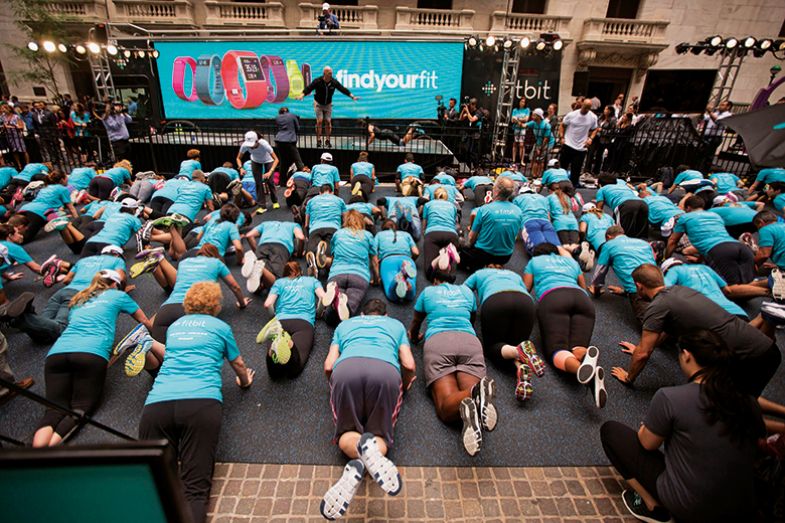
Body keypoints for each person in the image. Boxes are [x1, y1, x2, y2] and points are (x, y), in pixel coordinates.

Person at [601, 329, 764, 523]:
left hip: (690, 507)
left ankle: (654, 507)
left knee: (611, 432)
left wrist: (647, 426)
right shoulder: (747, 401)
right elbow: (759, 443)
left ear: (687, 356)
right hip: (742, 508)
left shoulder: (671, 397)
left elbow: (647, 444)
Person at [139, 282, 254, 523]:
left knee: (154, 487)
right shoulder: (220, 327)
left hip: (157, 405)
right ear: (215, 304)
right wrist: (244, 382)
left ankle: (145, 342)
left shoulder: (175, 327)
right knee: (194, 491)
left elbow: (171, 355)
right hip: (200, 403)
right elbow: (239, 365)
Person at [611, 264, 780, 398]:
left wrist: (629, 377)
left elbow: (643, 354)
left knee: (736, 412)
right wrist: (642, 348)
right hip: (764, 347)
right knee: (741, 402)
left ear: (639, 286)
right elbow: (667, 331)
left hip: (750, 357)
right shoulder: (681, 290)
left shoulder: (657, 307)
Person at [32, 270, 151, 448]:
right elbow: (145, 322)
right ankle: (46, 454)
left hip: (57, 354)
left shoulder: (78, 299)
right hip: (91, 353)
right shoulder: (117, 295)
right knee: (80, 406)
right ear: (114, 284)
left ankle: (36, 451)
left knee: (54, 410)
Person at [321, 299, 413, 520]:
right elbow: (409, 365)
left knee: (345, 432)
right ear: (385, 315)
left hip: (347, 370)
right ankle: (368, 455)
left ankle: (358, 461)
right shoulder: (396, 325)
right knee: (381, 434)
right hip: (385, 372)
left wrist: (336, 386)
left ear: (362, 314)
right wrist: (406, 382)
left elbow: (328, 366)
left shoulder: (345, 325)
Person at [523, 243, 605, 407]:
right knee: (576, 346)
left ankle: (582, 373)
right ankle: (584, 355)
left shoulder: (534, 262)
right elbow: (583, 286)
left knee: (558, 349)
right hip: (582, 300)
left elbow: (525, 289)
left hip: (553, 298)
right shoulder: (571, 262)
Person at [10, 245, 126, 344]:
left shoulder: (83, 261)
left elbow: (66, 280)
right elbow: (120, 278)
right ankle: (25, 315)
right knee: (60, 328)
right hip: (78, 294)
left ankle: (23, 317)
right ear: (117, 254)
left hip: (63, 292)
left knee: (41, 331)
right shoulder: (117, 261)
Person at [465, 265, 542, 401]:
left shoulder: (480, 273)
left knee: (492, 346)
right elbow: (527, 288)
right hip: (525, 302)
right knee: (516, 344)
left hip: (496, 301)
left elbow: (464, 291)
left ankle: (519, 352)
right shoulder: (514, 274)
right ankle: (520, 366)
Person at [665, 196, 755, 286]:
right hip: (739, 246)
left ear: (688, 208)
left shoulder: (685, 217)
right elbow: (710, 239)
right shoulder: (715, 216)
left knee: (731, 289)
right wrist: (699, 260)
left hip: (719, 251)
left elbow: (672, 241)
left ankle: (764, 289)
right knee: (749, 284)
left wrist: (665, 259)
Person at [260, 261, 325, 378]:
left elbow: (268, 304)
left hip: (279, 322)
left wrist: (274, 318)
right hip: (303, 322)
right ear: (300, 272)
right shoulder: (312, 281)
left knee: (274, 373)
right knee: (295, 368)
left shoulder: (279, 282)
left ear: (285, 273)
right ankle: (289, 345)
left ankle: (278, 344)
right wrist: (318, 313)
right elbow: (323, 298)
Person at [320, 210, 378, 325]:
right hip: (359, 276)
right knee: (348, 311)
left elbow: (334, 255)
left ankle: (334, 298)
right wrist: (376, 279)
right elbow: (375, 261)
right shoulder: (367, 235)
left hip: (338, 274)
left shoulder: (338, 234)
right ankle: (342, 303)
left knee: (330, 318)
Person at [590, 225, 657, 323]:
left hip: (638, 289)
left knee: (650, 324)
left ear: (608, 237)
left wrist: (596, 290)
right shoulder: (644, 243)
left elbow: (600, 271)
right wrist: (625, 292)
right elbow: (641, 264)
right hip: (660, 283)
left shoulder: (608, 245)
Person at [459, 177, 522, 272]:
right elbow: (515, 236)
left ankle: (478, 267)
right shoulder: (518, 211)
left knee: (462, 246)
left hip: (483, 255)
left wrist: (470, 246)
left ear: (496, 191)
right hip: (505, 257)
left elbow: (472, 238)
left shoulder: (484, 209)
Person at [661, 258, 749, 319]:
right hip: (737, 312)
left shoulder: (674, 270)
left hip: (710, 314)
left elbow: (666, 289)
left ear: (667, 270)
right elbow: (727, 290)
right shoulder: (704, 267)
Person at [295, 66, 358, 148]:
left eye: (331, 73)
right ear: (325, 73)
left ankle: (327, 140)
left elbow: (342, 89)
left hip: (328, 104)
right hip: (318, 104)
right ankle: (318, 140)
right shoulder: (318, 81)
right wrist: (302, 95)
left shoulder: (334, 82)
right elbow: (309, 88)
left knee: (328, 122)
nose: (331, 74)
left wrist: (352, 96)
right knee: (320, 121)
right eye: (329, 73)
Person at [242, 219, 305, 293]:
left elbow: (249, 235)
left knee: (260, 277)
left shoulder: (265, 224)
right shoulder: (293, 225)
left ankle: (256, 264)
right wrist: (299, 254)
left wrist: (256, 252)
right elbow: (301, 238)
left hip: (262, 246)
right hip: (280, 247)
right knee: (277, 281)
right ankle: (260, 267)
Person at [16, 170, 78, 244]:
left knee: (10, 231)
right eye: (66, 177)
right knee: (23, 239)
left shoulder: (45, 188)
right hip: (39, 213)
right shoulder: (63, 189)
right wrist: (78, 221)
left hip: (25, 208)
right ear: (62, 179)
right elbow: (71, 208)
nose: (68, 179)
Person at [304, 183, 345, 277]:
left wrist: (307, 236)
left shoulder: (311, 201)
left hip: (315, 228)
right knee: (330, 253)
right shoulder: (339, 200)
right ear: (332, 192)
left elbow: (306, 224)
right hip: (333, 228)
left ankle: (313, 261)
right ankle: (325, 260)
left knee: (311, 250)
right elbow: (345, 220)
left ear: (319, 193)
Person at [373, 220, 419, 302]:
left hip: (388, 260)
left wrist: (376, 278)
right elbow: (416, 252)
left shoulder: (379, 235)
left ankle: (398, 278)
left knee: (391, 295)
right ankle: (405, 274)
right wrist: (412, 259)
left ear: (383, 228)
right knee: (411, 295)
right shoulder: (406, 234)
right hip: (406, 260)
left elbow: (374, 255)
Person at [422, 187, 460, 280]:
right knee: (451, 276)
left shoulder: (428, 204)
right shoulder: (453, 206)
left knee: (429, 273)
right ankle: (447, 251)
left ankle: (440, 257)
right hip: (451, 235)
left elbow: (424, 223)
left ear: (434, 196)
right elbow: (455, 223)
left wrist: (425, 235)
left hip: (432, 234)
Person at [596, 173, 649, 240]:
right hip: (643, 203)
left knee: (620, 233)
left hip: (626, 205)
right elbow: (633, 189)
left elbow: (598, 210)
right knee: (641, 235)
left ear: (600, 184)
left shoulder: (602, 189)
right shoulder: (623, 186)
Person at [236, 131, 280, 212]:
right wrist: (241, 168)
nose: (251, 147)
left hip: (268, 161)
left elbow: (276, 159)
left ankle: (275, 201)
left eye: (252, 145)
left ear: (257, 141)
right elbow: (238, 158)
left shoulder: (264, 144)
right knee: (258, 183)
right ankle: (262, 206)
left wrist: (270, 172)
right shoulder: (244, 145)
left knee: (270, 182)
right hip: (255, 161)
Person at [559, 99, 599, 187]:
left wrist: (590, 139)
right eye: (585, 107)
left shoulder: (593, 117)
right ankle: (560, 187)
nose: (586, 110)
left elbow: (596, 128)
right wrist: (561, 137)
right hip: (568, 144)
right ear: (582, 105)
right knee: (562, 168)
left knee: (576, 171)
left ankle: (572, 189)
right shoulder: (572, 115)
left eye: (588, 108)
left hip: (581, 148)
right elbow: (562, 125)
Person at [514, 185, 560, 254]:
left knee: (538, 249)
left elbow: (516, 217)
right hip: (546, 222)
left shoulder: (517, 198)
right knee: (557, 248)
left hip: (529, 222)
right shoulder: (543, 198)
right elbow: (548, 215)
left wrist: (514, 235)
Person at [274, 107, 303, 185]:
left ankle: (282, 182)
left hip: (279, 141)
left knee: (283, 162)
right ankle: (303, 180)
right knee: (298, 161)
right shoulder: (292, 116)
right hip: (290, 140)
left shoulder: (277, 117)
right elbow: (297, 128)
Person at [524, 108, 555, 179]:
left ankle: (538, 174)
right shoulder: (533, 123)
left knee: (540, 158)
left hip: (548, 143)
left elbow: (546, 138)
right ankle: (533, 173)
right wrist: (518, 122)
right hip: (539, 141)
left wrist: (540, 148)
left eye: (534, 115)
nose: (532, 116)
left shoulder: (546, 125)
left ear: (538, 116)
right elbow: (524, 125)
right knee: (533, 156)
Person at [586, 106, 617, 175]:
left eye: (606, 109)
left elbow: (612, 131)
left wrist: (602, 130)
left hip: (603, 139)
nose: (604, 110)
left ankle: (596, 171)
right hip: (595, 137)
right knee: (590, 153)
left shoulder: (613, 119)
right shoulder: (601, 117)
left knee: (599, 155)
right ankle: (587, 169)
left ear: (610, 111)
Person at [1, 103, 28, 168]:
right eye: (2, 109)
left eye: (4, 108)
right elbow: (3, 125)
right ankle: (19, 165)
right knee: (14, 151)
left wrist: (11, 126)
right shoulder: (3, 117)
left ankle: (27, 163)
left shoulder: (16, 116)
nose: (3, 110)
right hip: (9, 136)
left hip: (17, 135)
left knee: (23, 150)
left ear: (9, 109)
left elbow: (21, 126)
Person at [510, 97, 530, 165]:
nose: (522, 103)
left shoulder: (527, 110)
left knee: (521, 144)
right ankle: (513, 160)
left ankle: (521, 160)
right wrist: (520, 120)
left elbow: (526, 119)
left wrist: (517, 119)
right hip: (516, 128)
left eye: (524, 102)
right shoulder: (515, 110)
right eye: (521, 101)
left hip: (523, 129)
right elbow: (512, 120)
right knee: (515, 143)